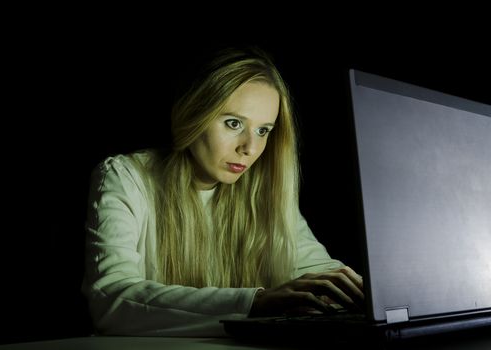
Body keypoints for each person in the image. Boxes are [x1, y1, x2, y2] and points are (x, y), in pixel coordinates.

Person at [82, 45, 364, 337]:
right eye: (234, 123)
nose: (250, 149)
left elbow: (321, 276)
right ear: (193, 113)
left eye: (263, 130)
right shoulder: (126, 178)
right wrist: (255, 303)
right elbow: (112, 299)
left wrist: (368, 293)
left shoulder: (264, 191)